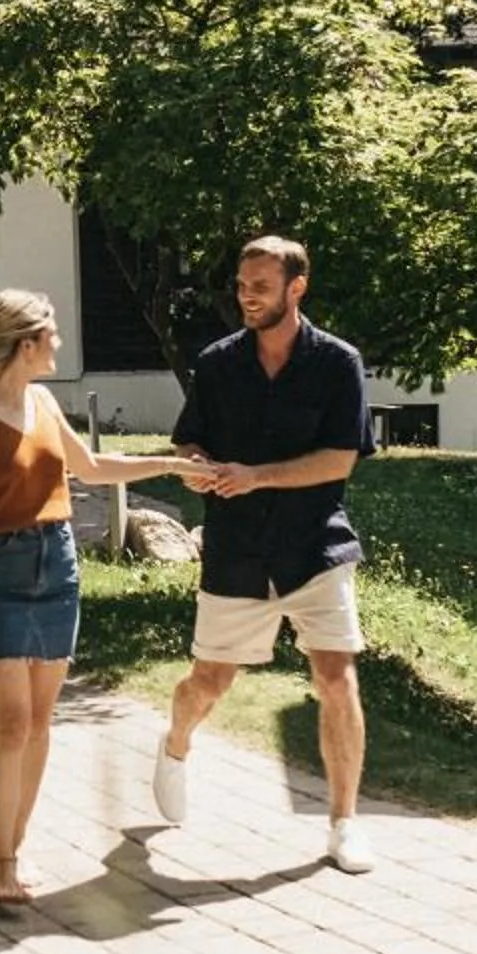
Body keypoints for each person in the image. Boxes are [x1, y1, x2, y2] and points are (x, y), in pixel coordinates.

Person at [0, 289, 200, 909]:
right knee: (9, 725)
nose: (60, 341)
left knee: (38, 723)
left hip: (58, 566)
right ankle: (0, 861)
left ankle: (18, 845)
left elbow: (89, 468)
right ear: (26, 343)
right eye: (51, 333)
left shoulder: (43, 402)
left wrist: (167, 465)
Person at [150, 236, 382, 874]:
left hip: (316, 545)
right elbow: (189, 444)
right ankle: (174, 746)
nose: (246, 295)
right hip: (238, 549)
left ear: (295, 288)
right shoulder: (217, 363)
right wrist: (196, 468)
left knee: (336, 677)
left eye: (260, 285)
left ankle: (343, 824)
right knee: (209, 683)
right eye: (242, 285)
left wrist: (257, 475)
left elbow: (339, 460)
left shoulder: (339, 363)